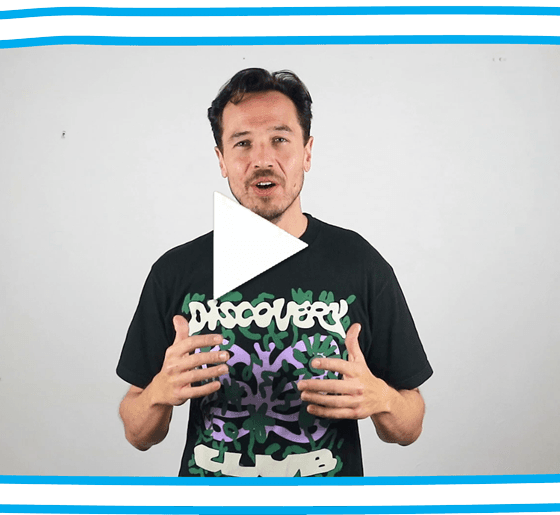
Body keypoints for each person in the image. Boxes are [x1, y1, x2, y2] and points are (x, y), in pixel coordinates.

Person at [116, 68, 432, 477]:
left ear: (307, 152)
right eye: (243, 143)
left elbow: (409, 426)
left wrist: (381, 399)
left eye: (280, 140)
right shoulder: (175, 271)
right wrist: (158, 393)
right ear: (222, 160)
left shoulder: (360, 264)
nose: (263, 160)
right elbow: (138, 433)